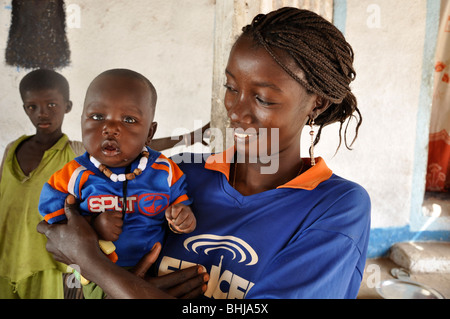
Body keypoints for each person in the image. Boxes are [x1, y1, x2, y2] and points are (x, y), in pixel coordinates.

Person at [37, 7, 371, 299]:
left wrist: (96, 267)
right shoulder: (182, 175)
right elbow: (79, 252)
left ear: (318, 103)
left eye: (263, 98)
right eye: (231, 88)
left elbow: (101, 271)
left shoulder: (335, 209)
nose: (237, 111)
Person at [38, 68, 196, 298]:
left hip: (155, 273)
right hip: (92, 277)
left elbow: (180, 202)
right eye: (97, 117)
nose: (110, 128)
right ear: (82, 120)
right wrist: (92, 226)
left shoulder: (165, 170)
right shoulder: (75, 173)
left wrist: (183, 218)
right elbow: (55, 224)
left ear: (149, 132)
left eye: (129, 120)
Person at [0, 69, 84, 299]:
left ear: (67, 106)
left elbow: (124, 148)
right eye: (32, 107)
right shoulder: (11, 150)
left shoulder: (76, 153)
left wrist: (184, 139)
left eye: (51, 105)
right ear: (24, 108)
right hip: (5, 260)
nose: (42, 113)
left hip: (49, 265)